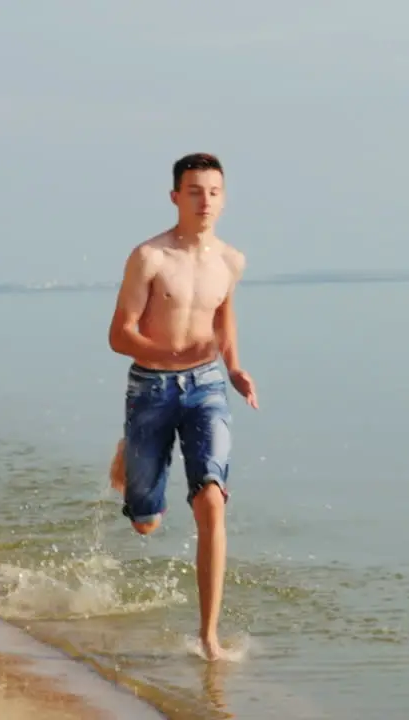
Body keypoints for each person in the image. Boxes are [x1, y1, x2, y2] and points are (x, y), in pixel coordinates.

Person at [106, 152, 259, 661]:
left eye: (213, 191)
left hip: (206, 387)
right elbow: (119, 335)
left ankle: (208, 636)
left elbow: (225, 318)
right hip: (150, 388)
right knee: (146, 522)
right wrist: (168, 353)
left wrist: (234, 368)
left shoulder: (231, 260)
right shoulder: (149, 257)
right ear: (176, 197)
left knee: (211, 500)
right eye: (194, 191)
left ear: (224, 198)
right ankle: (129, 454)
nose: (205, 201)